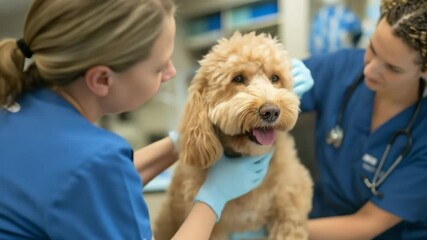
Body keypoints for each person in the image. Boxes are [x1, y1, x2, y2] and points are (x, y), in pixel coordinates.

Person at [0, 0, 313, 239]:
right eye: (159, 66)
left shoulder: (15, 106)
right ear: (102, 79)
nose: (172, 73)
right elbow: (95, 177)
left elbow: (82, 185)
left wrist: (180, 143)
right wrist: (212, 199)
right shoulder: (94, 160)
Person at [299, 0, 427, 239]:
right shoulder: (342, 67)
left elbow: (366, 224)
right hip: (317, 221)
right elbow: (275, 90)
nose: (369, 70)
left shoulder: (422, 136)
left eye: (392, 68)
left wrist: (276, 230)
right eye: (373, 49)